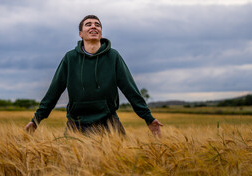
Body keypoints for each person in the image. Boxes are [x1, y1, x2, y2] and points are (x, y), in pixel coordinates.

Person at [25, 15, 163, 136]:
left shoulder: (113, 56)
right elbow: (53, 92)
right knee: (69, 163)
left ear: (101, 34)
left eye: (97, 25)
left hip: (109, 121)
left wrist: (148, 118)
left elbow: (130, 88)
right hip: (77, 122)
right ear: (81, 34)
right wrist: (36, 120)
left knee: (118, 163)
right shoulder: (70, 58)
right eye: (88, 24)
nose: (93, 27)